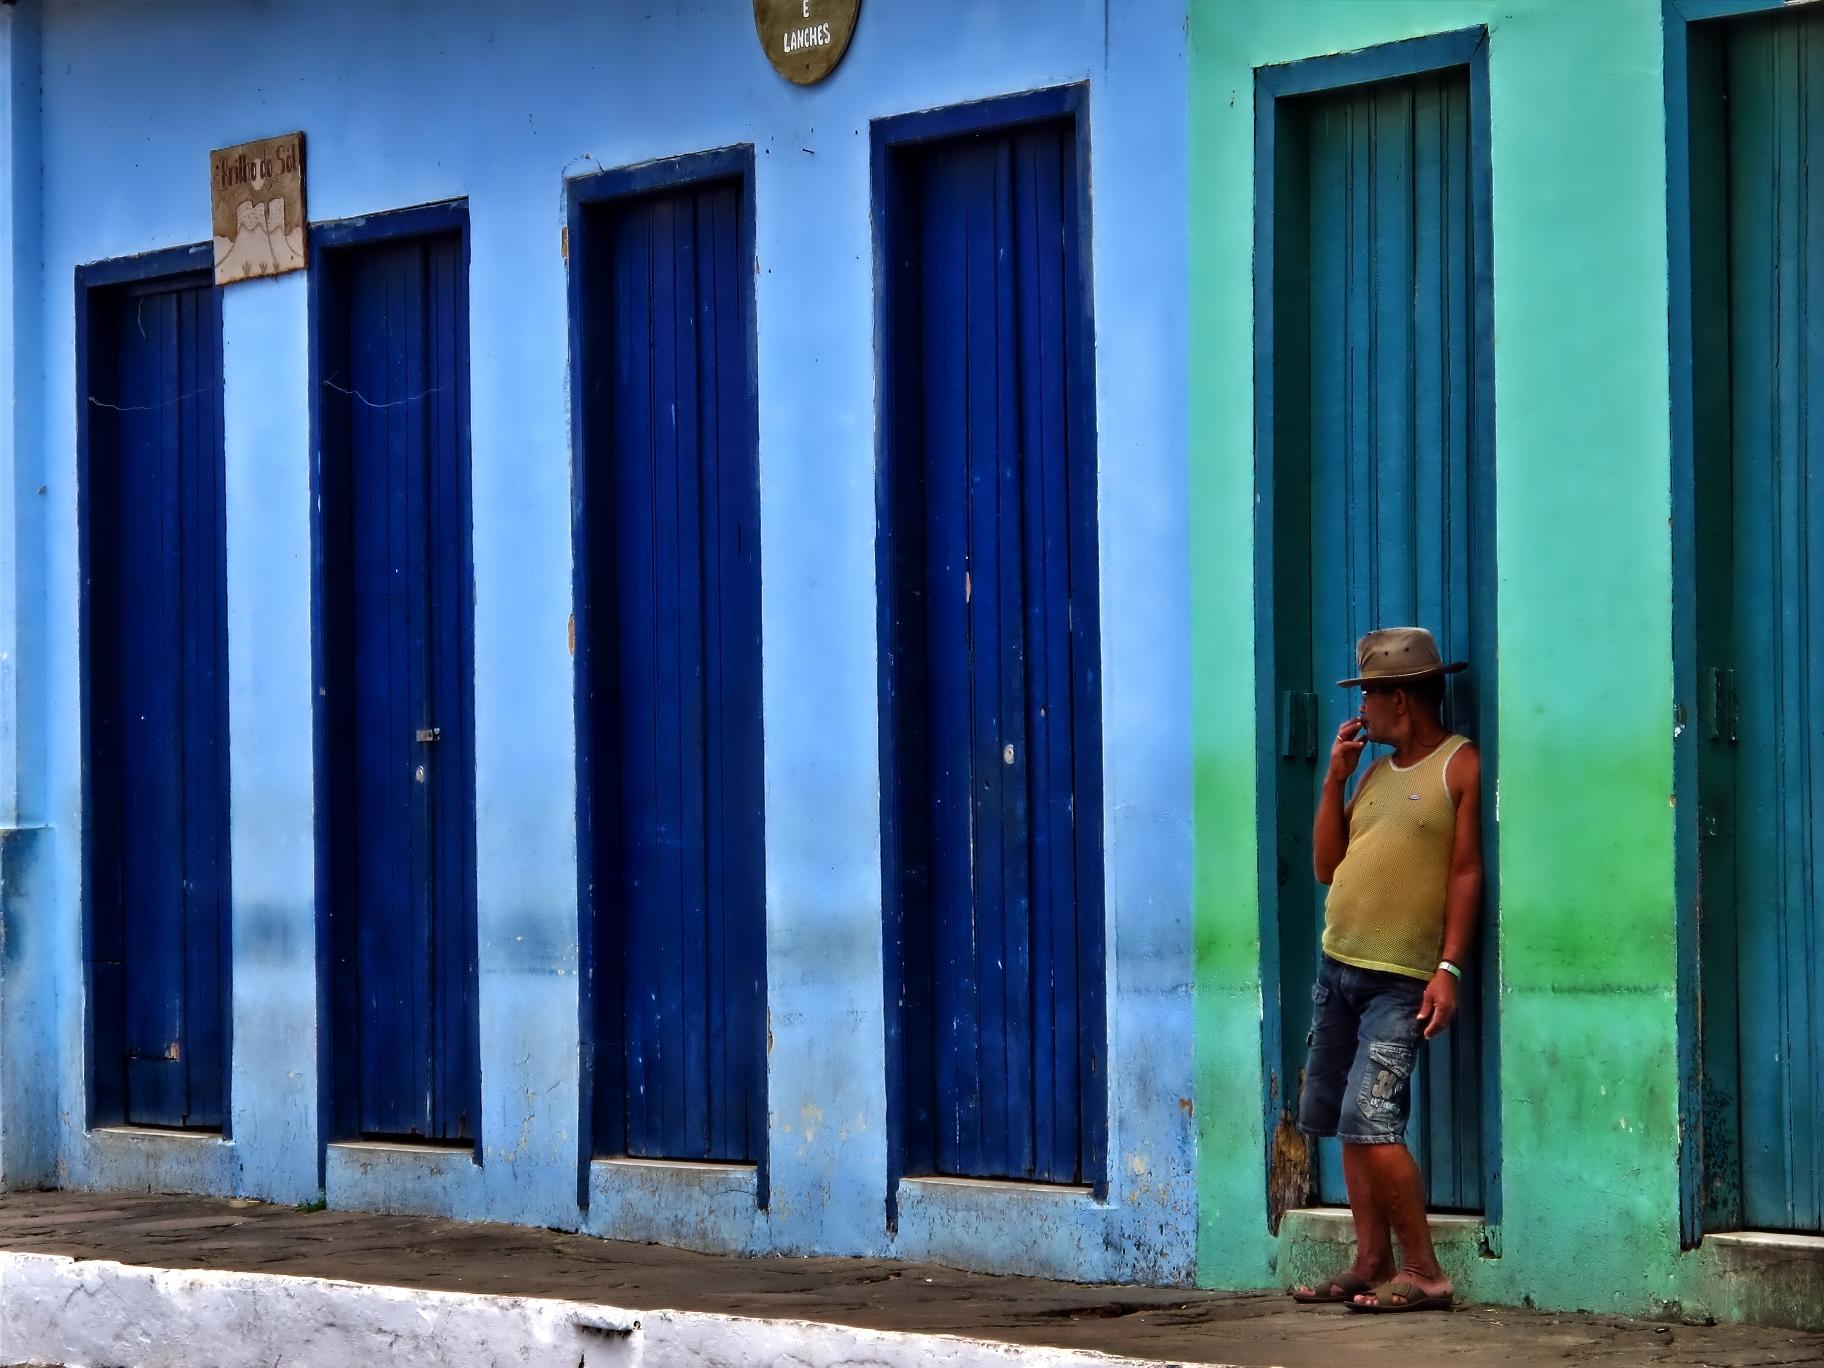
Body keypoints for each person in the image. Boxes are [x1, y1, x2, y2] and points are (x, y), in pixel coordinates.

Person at [1288, 627, 1483, 1314]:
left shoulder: (1459, 766)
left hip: (1400, 979)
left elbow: (1465, 873)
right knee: (1345, 1119)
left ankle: (1424, 1271)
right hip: (1337, 966)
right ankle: (1370, 1261)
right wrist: (1335, 778)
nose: (1360, 710)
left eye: (1367, 695)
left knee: (1373, 1119)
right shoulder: (1371, 772)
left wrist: (1450, 967)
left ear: (1399, 697)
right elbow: (1323, 866)